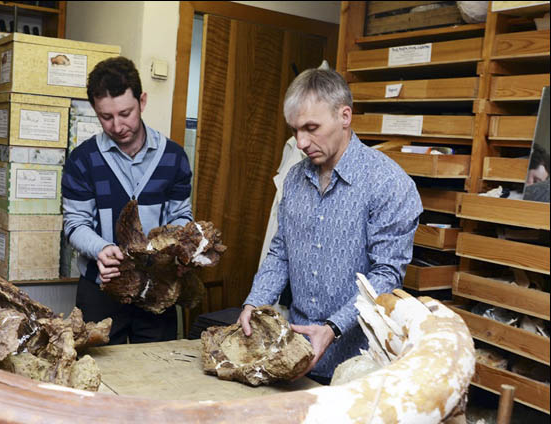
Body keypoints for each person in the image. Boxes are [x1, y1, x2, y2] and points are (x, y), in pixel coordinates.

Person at [237, 68, 423, 384]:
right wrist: (255, 303)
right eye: (295, 130)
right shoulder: (295, 179)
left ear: (344, 116)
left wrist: (333, 327)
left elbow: (386, 275)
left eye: (312, 128)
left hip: (358, 365)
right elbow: (281, 253)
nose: (301, 142)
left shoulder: (388, 183)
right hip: (296, 356)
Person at [62, 57, 194, 344]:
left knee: (157, 367)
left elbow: (182, 216)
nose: (117, 125)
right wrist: (101, 249)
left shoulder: (174, 157)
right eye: (106, 117)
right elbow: (74, 224)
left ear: (142, 101)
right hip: (101, 290)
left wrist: (181, 249)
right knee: (98, 369)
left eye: (125, 113)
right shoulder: (82, 160)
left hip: (159, 291)